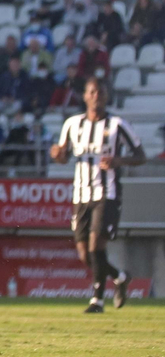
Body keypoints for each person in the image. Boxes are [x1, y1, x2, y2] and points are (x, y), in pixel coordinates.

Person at [49, 78, 146, 313]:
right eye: (92, 92)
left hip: (107, 193)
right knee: (84, 254)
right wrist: (56, 154)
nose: (96, 96)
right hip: (80, 195)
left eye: (100, 92)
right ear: (85, 96)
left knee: (95, 247)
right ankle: (120, 277)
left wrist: (118, 161)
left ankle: (97, 301)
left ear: (106, 96)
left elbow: (141, 155)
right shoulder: (73, 124)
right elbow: (62, 156)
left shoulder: (117, 124)